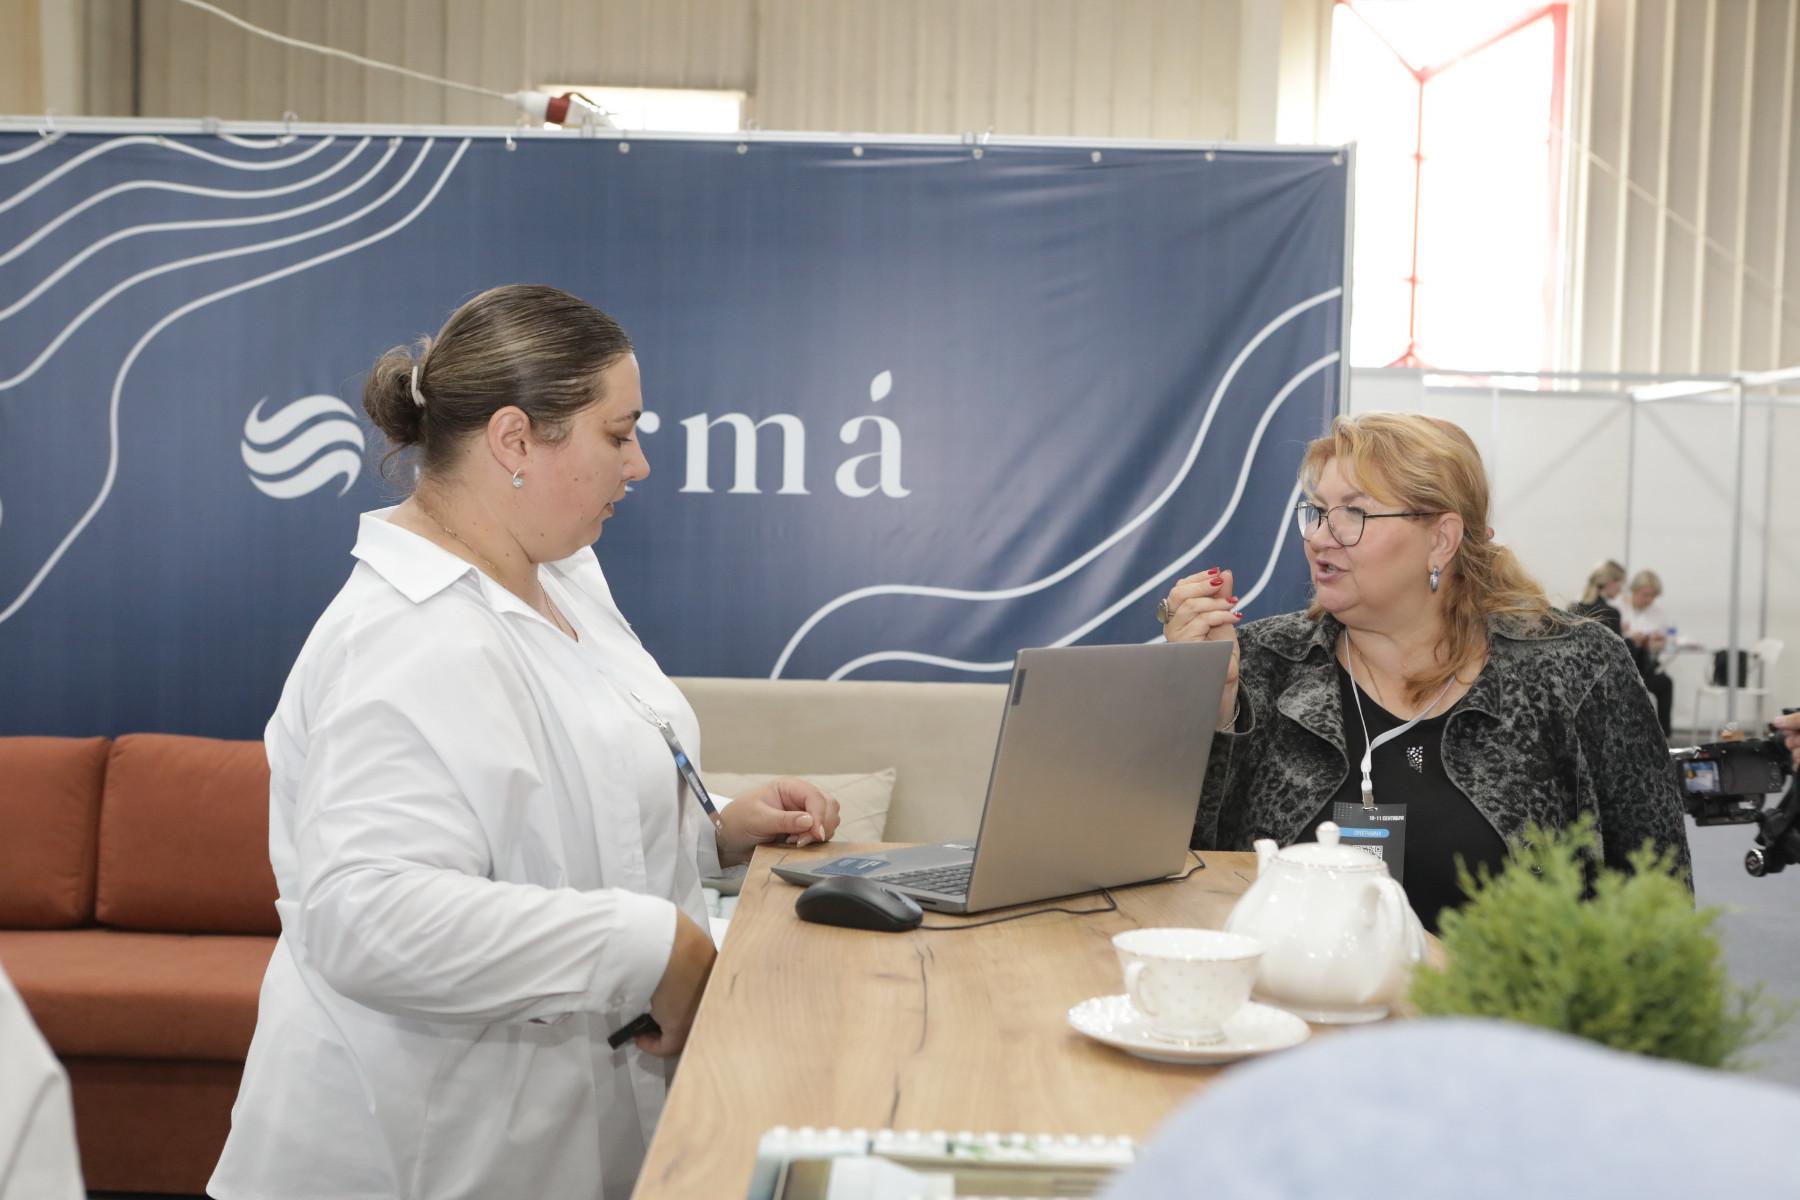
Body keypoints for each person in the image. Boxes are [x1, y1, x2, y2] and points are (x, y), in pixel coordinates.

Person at [208, 285, 841, 1200]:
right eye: (618, 435)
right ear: (514, 440)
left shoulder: (559, 579)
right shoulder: (402, 636)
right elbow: (367, 916)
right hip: (425, 1157)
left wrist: (713, 833)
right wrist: (649, 945)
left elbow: (549, 810)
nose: (640, 464)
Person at [1159, 412, 1689, 933]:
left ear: (1441, 539)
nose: (1320, 536)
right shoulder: (1262, 661)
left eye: (1353, 513)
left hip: (1507, 992)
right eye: (1317, 511)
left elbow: (1659, 894)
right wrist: (1207, 707)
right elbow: (1184, 873)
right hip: (1294, 989)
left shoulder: (1576, 669)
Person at [1621, 569, 1675, 734]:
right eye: (1645, 595)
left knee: (1665, 683)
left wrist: (1657, 643)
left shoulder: (1658, 613)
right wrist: (1629, 637)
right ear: (1634, 590)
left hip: (1644, 665)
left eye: (1653, 596)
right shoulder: (1618, 607)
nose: (1649, 600)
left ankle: (1665, 735)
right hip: (1622, 667)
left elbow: (1662, 642)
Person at [1569, 559, 1626, 637]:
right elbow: (1617, 644)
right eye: (1621, 583)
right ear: (1609, 581)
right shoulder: (1611, 614)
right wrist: (1633, 640)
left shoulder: (1574, 608)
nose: (1620, 589)